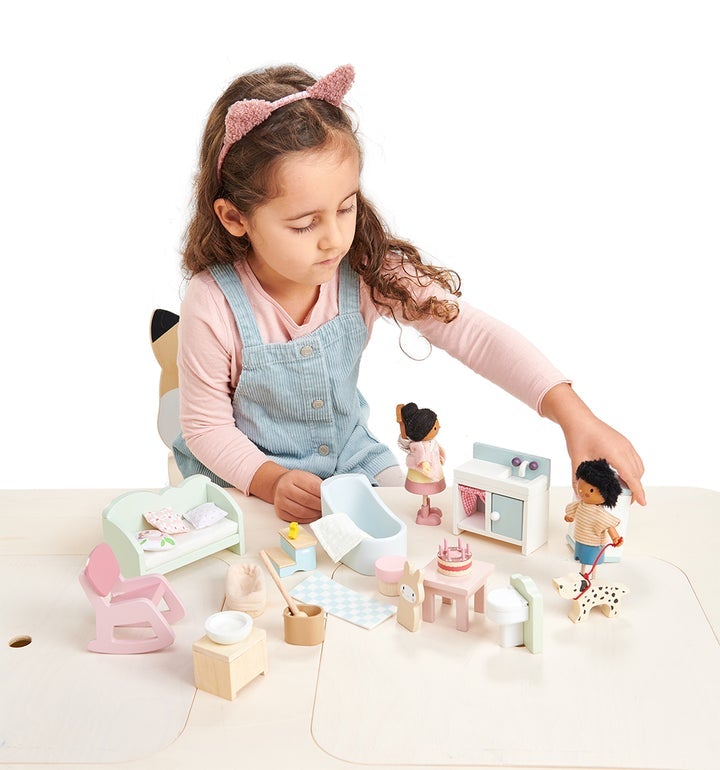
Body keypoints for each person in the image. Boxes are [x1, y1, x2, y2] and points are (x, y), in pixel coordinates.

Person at [173, 63, 646, 524]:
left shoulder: (364, 266)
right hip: (249, 477)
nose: (334, 239)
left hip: (351, 459)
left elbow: (473, 333)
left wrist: (574, 417)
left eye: (345, 207)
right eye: (304, 224)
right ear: (235, 217)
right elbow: (205, 427)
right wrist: (271, 480)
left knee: (417, 531)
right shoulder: (212, 300)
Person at [564, 459, 624, 579]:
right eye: (581, 488)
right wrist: (569, 516)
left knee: (593, 561)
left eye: (591, 490)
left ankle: (593, 578)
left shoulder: (599, 513)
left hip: (594, 543)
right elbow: (572, 511)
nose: (584, 493)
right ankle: (582, 575)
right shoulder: (581, 504)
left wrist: (615, 537)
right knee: (582, 560)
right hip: (581, 538)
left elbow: (609, 525)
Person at [396, 403, 446, 526]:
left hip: (433, 469)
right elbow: (422, 457)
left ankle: (428, 508)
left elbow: (438, 450)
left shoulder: (431, 442)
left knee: (428, 492)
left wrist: (441, 457)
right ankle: (424, 515)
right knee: (425, 490)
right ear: (424, 431)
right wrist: (425, 464)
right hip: (423, 474)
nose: (439, 427)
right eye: (435, 427)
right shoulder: (419, 446)